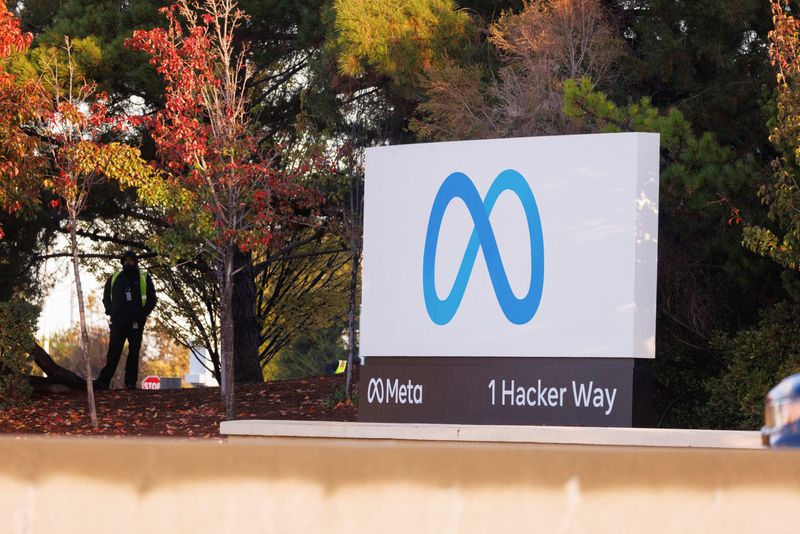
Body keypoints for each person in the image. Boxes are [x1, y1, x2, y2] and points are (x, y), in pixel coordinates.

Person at [96, 251, 157, 389]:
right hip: (118, 321)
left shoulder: (144, 277)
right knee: (113, 352)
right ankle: (104, 381)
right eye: (126, 261)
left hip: (136, 322)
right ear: (122, 262)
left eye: (131, 261)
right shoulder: (114, 277)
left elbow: (152, 299)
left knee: (134, 352)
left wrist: (142, 314)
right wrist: (110, 311)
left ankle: (130, 382)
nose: (128, 263)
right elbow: (106, 297)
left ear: (136, 262)